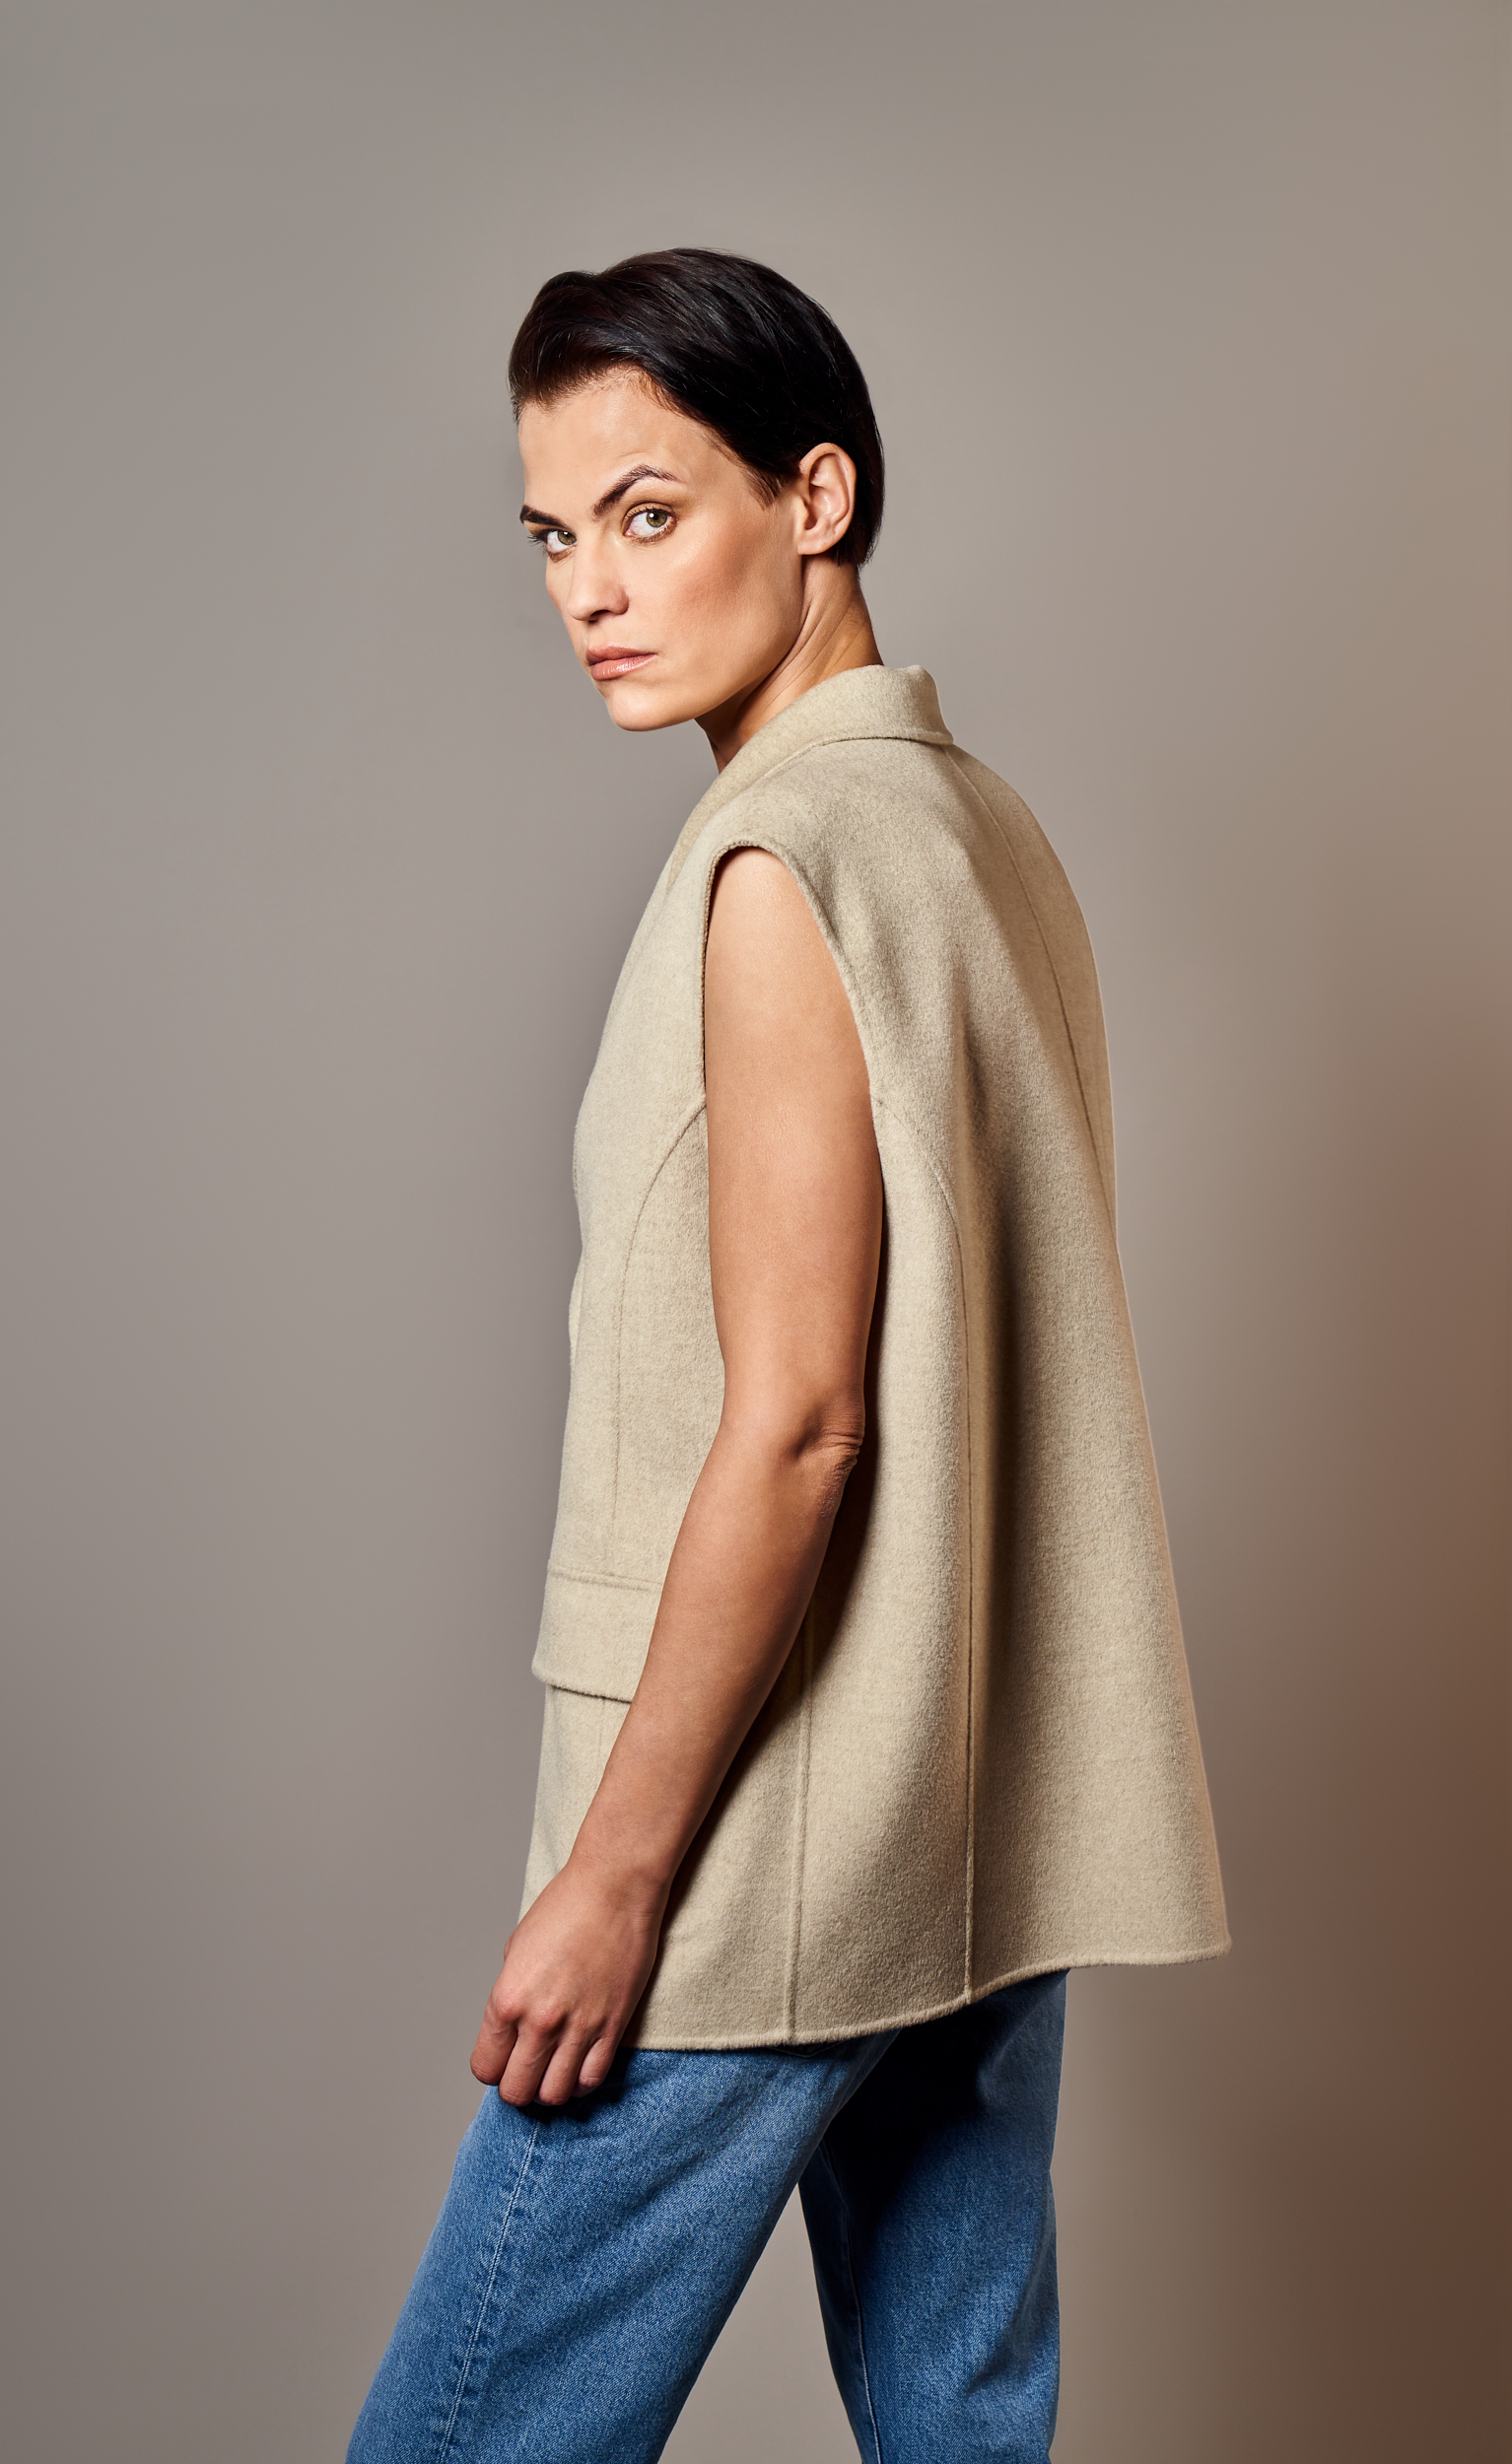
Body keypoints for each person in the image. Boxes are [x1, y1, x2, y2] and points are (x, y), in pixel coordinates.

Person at [349, 248, 1226, 2464]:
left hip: (761, 1827)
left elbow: (809, 1424)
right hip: (972, 1818)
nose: (589, 588)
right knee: (963, 2425)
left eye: (649, 513)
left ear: (813, 496)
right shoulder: (977, 828)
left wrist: (616, 1876)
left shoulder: (780, 857)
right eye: (554, 534)